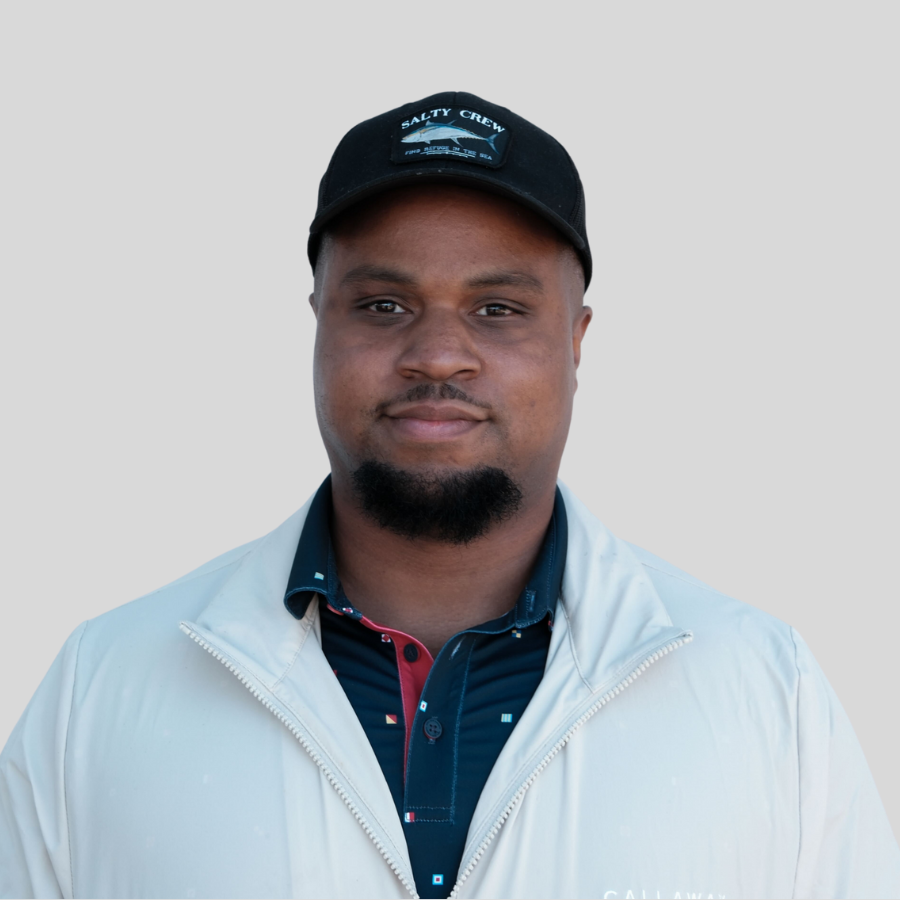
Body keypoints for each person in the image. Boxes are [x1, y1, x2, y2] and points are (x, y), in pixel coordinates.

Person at [1, 91, 897, 900]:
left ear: (577, 340)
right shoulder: (102, 687)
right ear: (318, 322)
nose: (436, 354)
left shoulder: (765, 692)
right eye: (383, 306)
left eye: (497, 309)